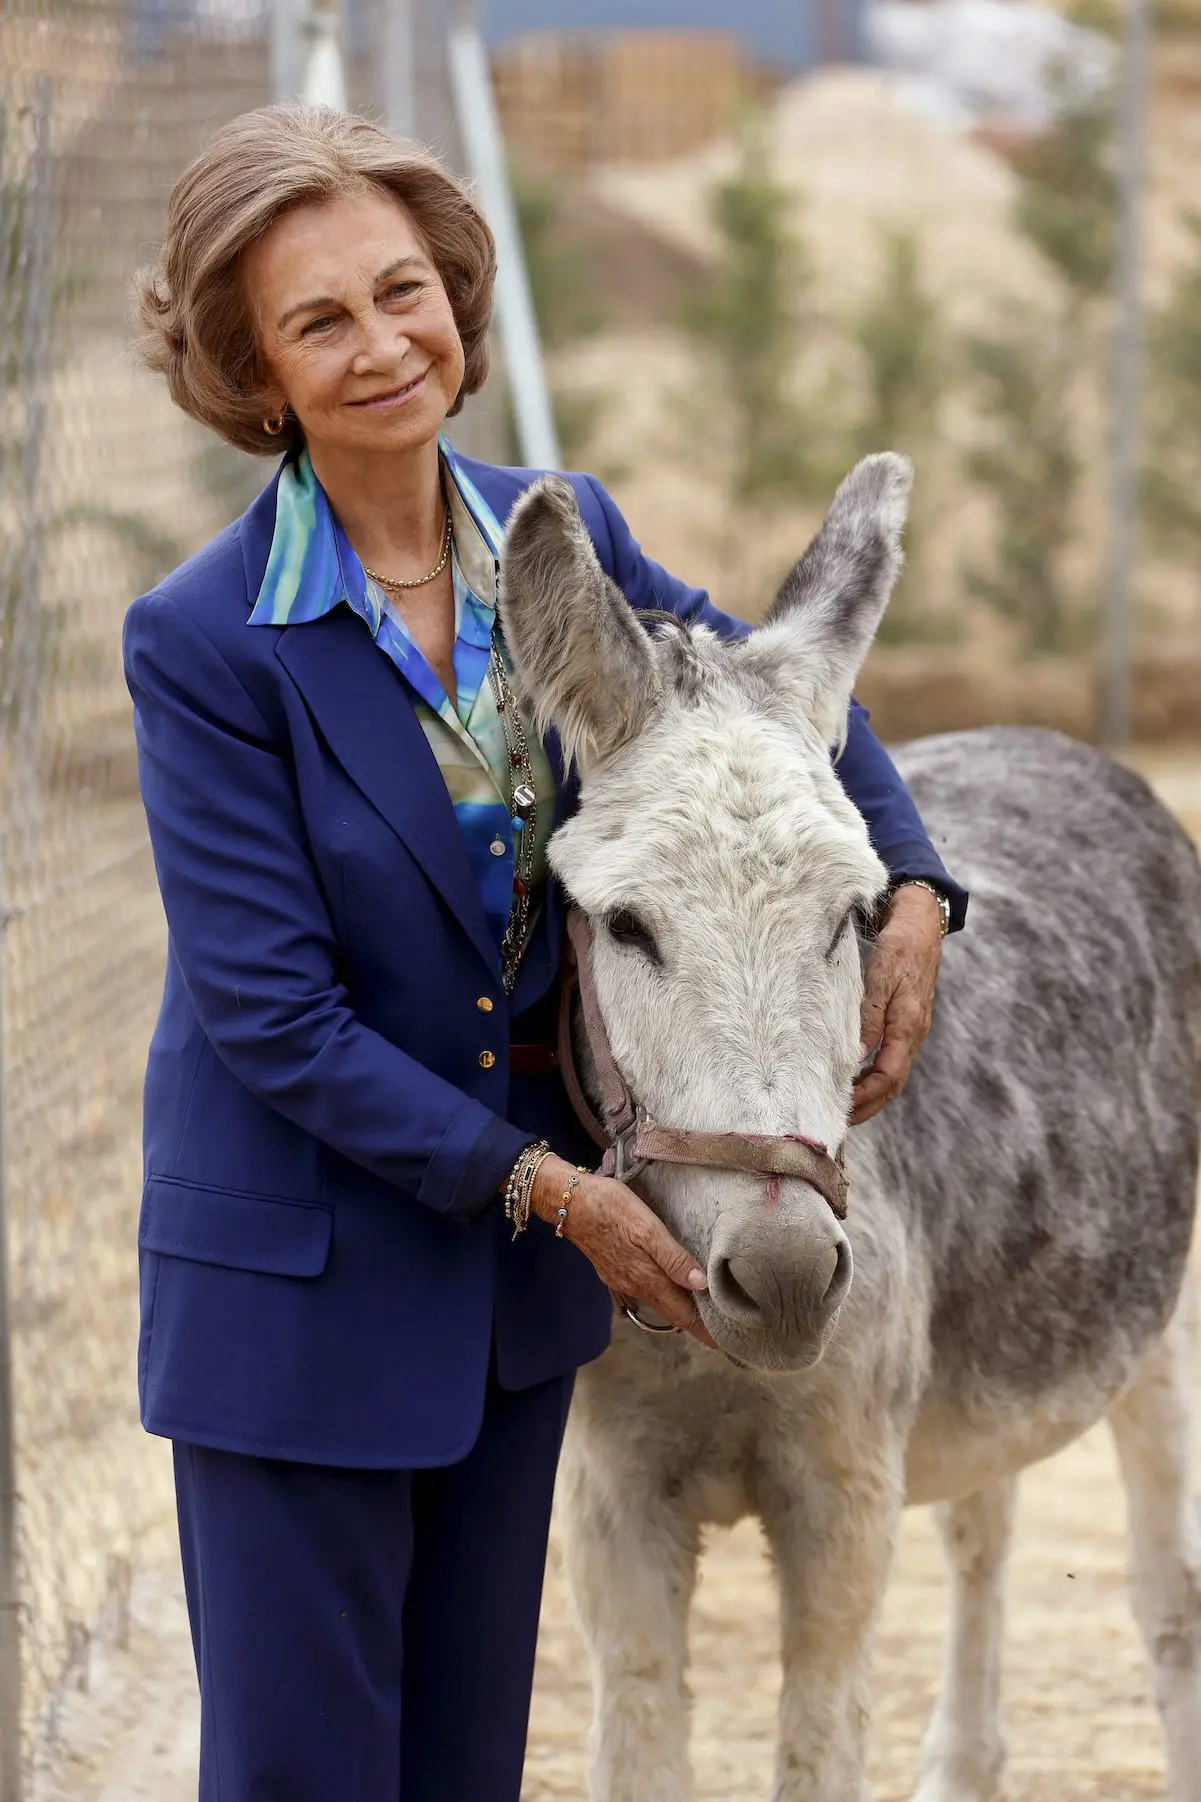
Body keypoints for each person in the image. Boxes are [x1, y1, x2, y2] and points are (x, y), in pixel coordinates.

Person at [126, 101, 967, 1802]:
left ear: (455, 290)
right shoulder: (205, 642)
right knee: (303, 1774)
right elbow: (273, 1018)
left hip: (505, 1316)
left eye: (404, 289)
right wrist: (568, 1192)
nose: (386, 345)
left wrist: (916, 884)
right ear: (253, 372)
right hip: (304, 1293)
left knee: (464, 1773)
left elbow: (780, 694)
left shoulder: (551, 537)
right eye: (321, 321)